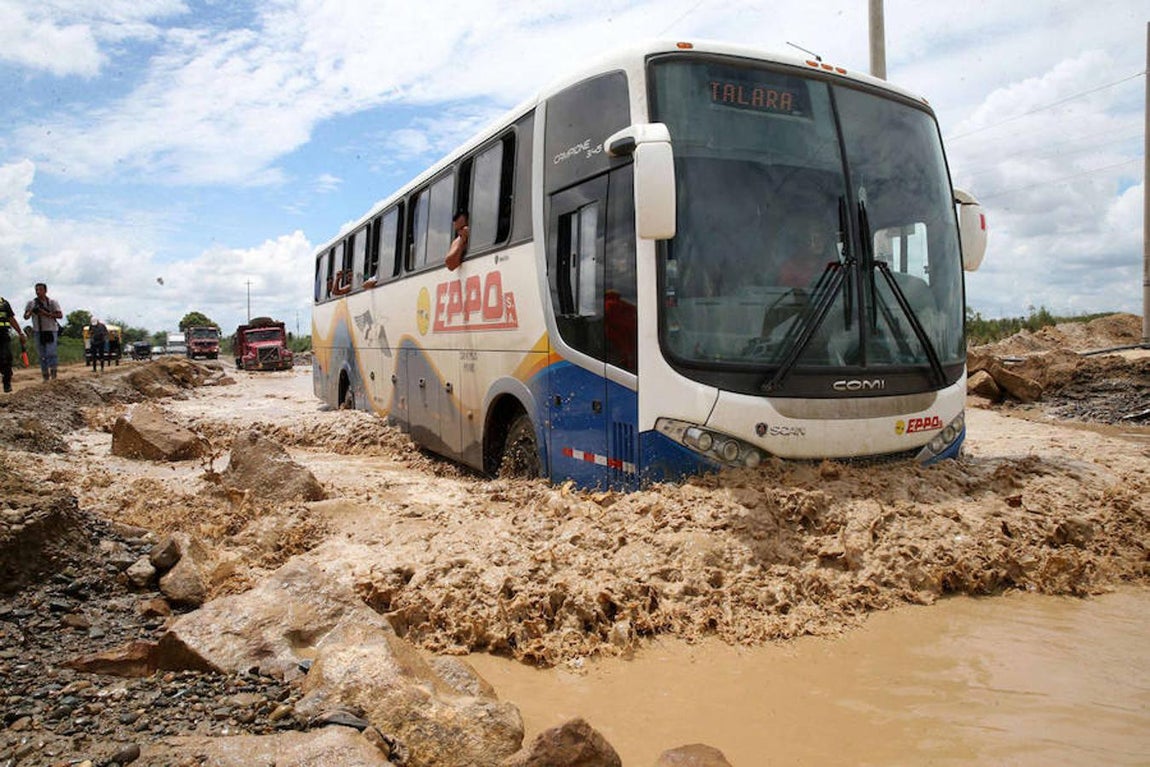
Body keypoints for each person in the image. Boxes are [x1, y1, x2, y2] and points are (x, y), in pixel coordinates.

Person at [24, 282, 63, 381]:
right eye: (36, 290)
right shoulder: (31, 303)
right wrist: (31, 311)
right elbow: (26, 317)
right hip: (38, 331)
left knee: (51, 353)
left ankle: (54, 374)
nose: (38, 292)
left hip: (50, 330)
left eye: (40, 290)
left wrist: (44, 313)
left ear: (45, 291)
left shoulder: (52, 302)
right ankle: (45, 376)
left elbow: (60, 315)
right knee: (42, 355)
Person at [0, 294, 28, 393]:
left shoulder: (4, 303)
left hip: (3, 335)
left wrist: (20, 332)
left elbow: (11, 319)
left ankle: (7, 383)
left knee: (6, 358)